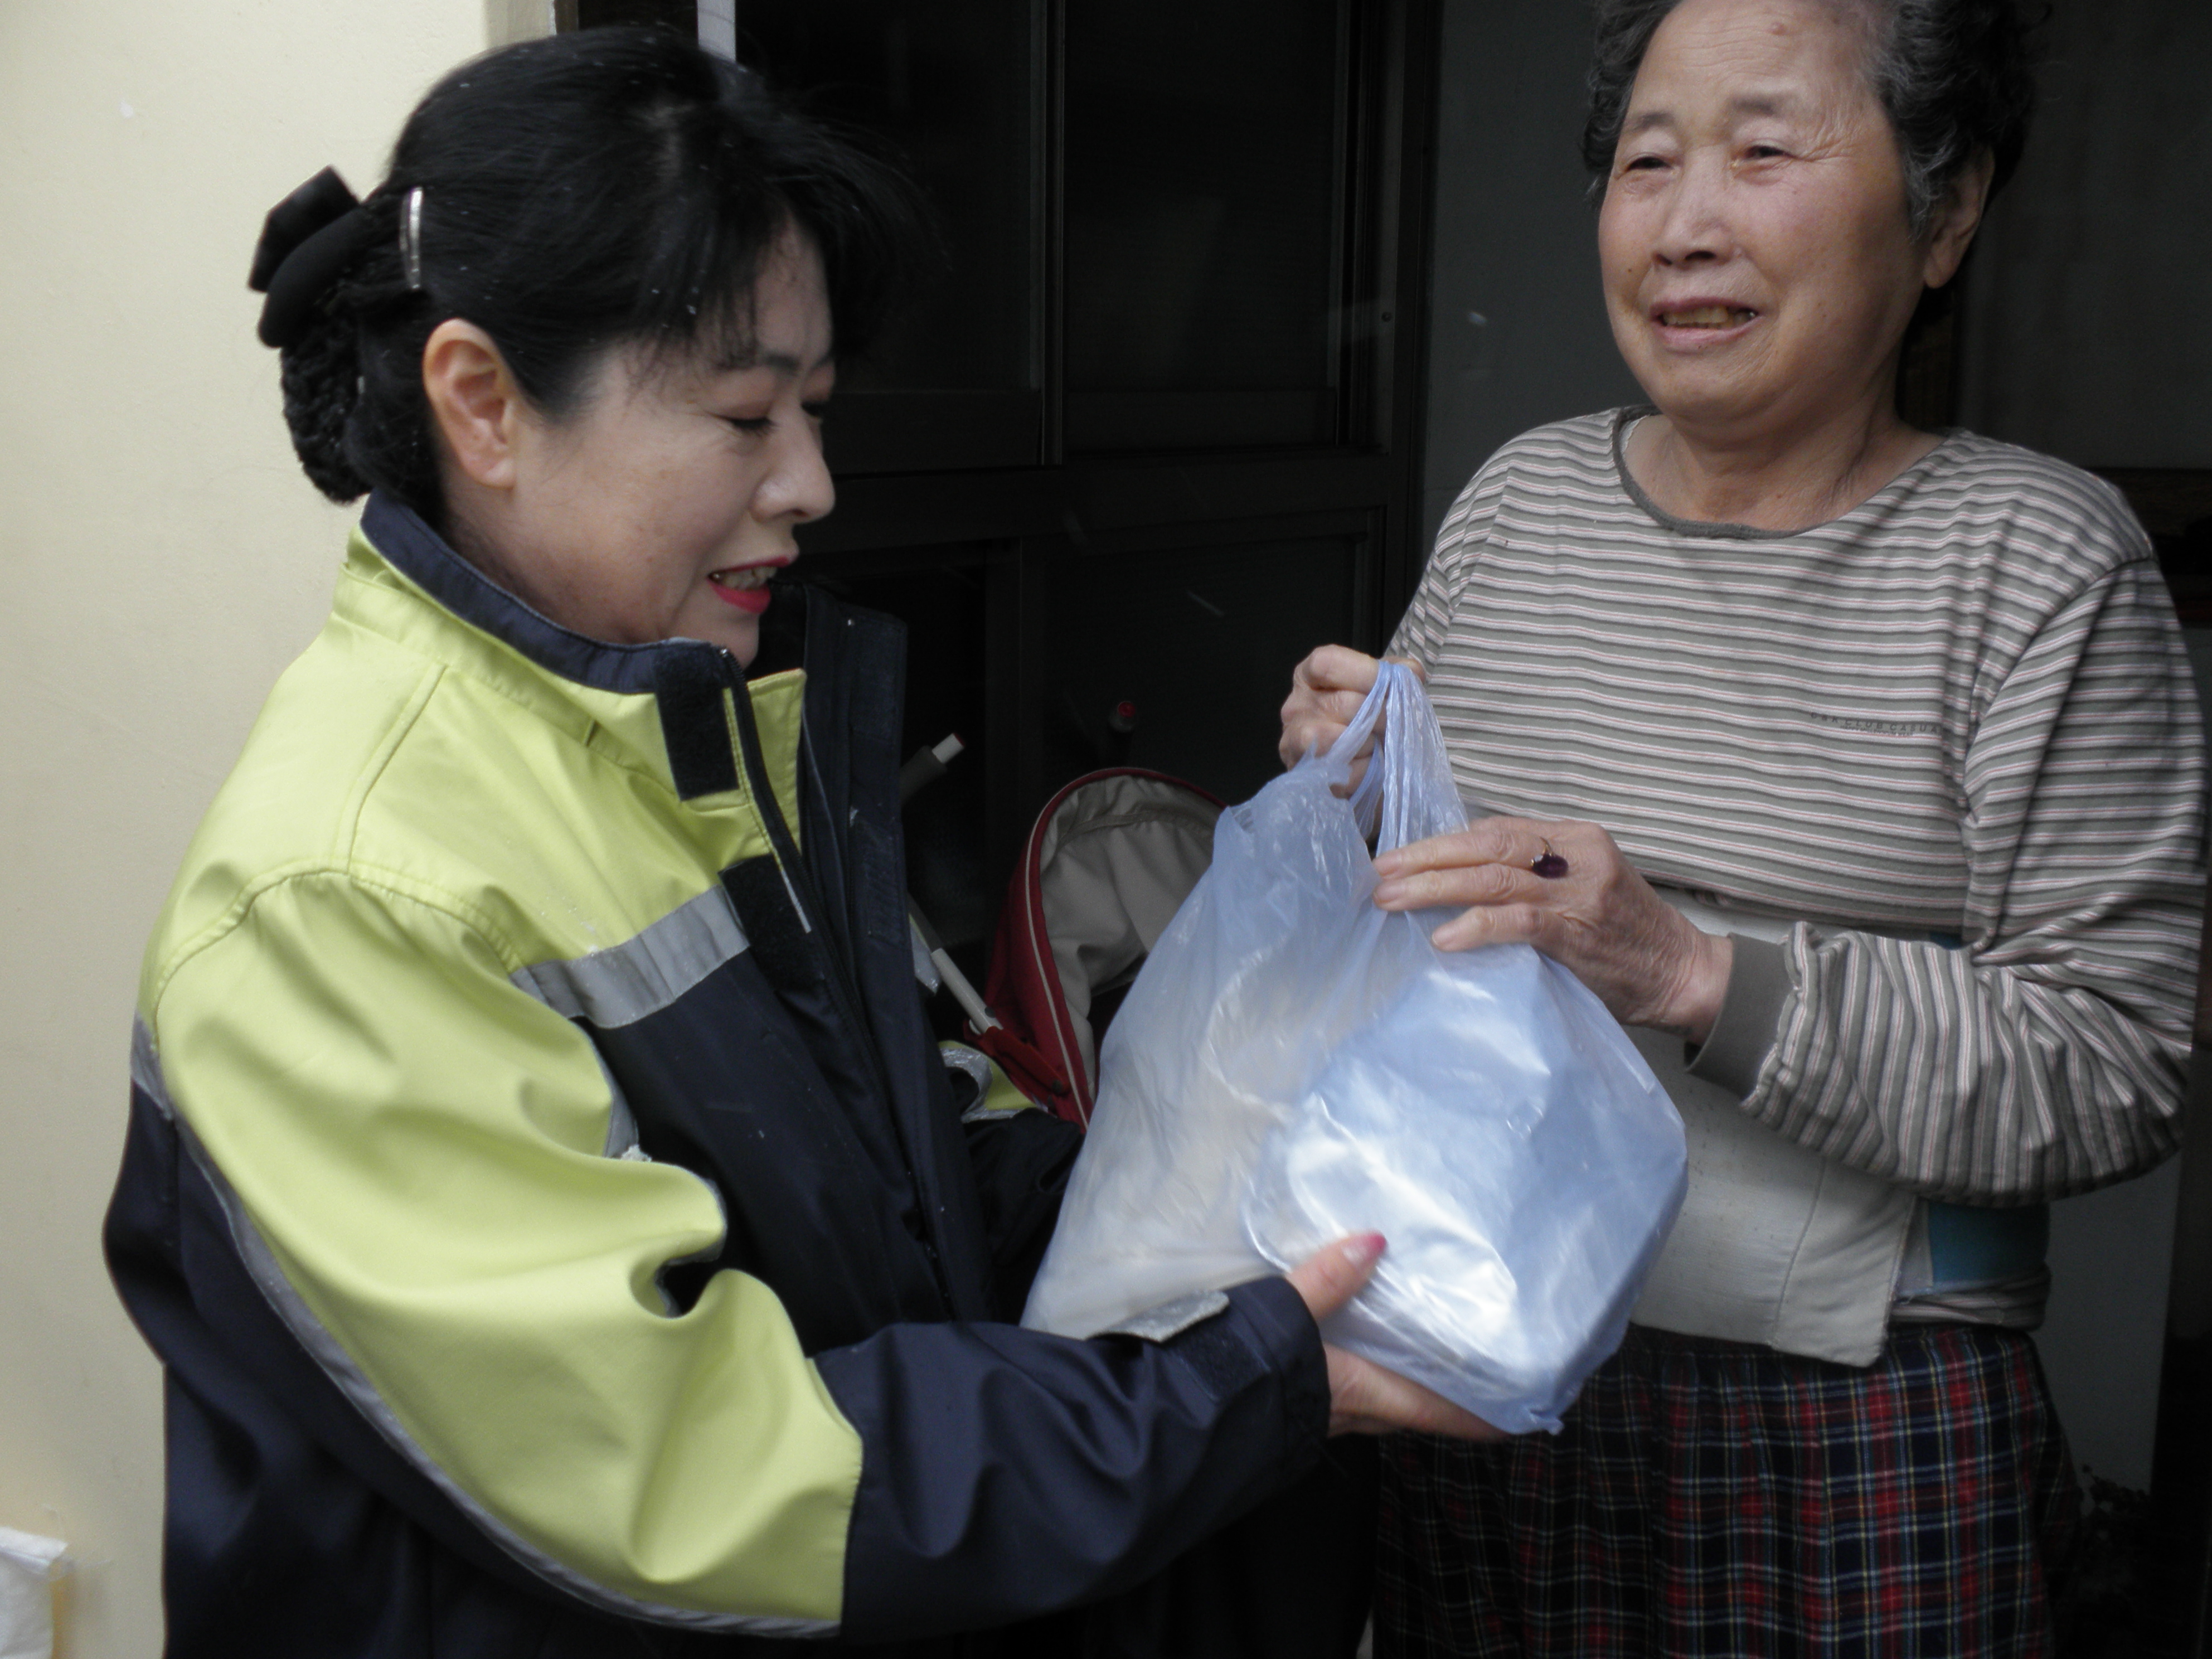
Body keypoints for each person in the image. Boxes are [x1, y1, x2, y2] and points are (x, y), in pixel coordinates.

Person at [104, 29, 1491, 1658]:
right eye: (745, 414)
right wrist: (1235, 1387)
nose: (812, 483)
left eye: (816, 410)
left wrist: (1245, 1198)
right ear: (482, 403)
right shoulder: (339, 897)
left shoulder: (702, 733)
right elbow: (699, 1475)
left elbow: (914, 1155)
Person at [1280, 0, 2205, 1651]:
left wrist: (1690, 970)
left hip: (1851, 1419)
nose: (1686, 225)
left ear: (1949, 209)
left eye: (1765, 149)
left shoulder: (2041, 565)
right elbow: (1409, 921)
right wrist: (1346, 791)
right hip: (1478, 1348)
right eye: (1648, 162)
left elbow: (2116, 1062)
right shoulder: (1518, 505)